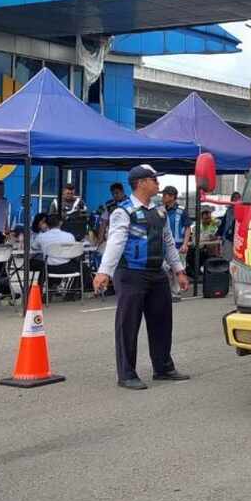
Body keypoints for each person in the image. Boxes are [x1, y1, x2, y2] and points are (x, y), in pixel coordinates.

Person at [93, 165, 190, 391]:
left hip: (157, 273)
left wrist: (179, 271)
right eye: (154, 180)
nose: (158, 184)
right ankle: (127, 374)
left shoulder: (160, 212)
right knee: (128, 325)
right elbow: (115, 242)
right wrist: (104, 272)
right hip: (131, 275)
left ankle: (163, 368)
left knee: (162, 322)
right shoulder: (123, 212)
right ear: (141, 183)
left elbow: (167, 242)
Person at [160, 185, 191, 301]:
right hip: (164, 246)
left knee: (177, 269)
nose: (162, 197)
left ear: (172, 197)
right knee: (164, 268)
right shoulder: (161, 210)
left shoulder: (181, 211)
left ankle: (176, 293)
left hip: (178, 245)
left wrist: (185, 244)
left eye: (165, 195)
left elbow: (188, 227)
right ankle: (167, 291)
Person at [185, 205, 220, 280]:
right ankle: (193, 270)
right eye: (206, 218)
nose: (208, 220)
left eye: (209, 218)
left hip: (211, 250)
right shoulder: (197, 227)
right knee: (192, 252)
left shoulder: (214, 225)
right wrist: (208, 238)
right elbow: (196, 239)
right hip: (200, 249)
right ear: (201, 218)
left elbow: (217, 235)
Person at [218, 191, 241, 259]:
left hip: (236, 239)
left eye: (238, 198)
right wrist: (218, 234)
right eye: (234, 198)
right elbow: (223, 223)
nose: (236, 200)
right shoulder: (228, 210)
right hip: (227, 238)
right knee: (227, 257)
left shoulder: (242, 210)